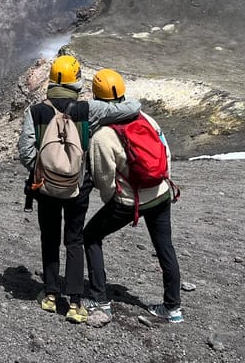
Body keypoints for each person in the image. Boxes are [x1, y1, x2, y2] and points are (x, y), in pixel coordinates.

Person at [17, 55, 142, 323]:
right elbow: (131, 109)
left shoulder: (36, 111)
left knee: (49, 237)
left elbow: (25, 152)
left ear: (52, 79)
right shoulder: (88, 110)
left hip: (46, 187)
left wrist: (43, 172)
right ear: (76, 80)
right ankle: (75, 303)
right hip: (79, 188)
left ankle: (50, 295)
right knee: (74, 239)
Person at [82, 68, 184, 323]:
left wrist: (112, 201)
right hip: (161, 193)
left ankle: (100, 300)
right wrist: (160, 183)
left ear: (96, 97)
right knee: (165, 248)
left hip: (130, 200)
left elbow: (104, 177)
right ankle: (173, 308)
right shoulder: (146, 118)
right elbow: (165, 153)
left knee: (91, 236)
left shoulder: (103, 135)